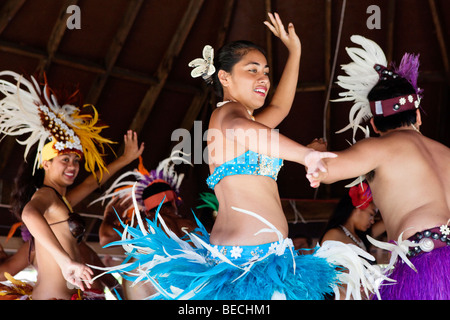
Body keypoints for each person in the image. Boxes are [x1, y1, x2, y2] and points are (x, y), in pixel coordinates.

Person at [91, 13, 384, 300]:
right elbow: (245, 131)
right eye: (253, 69)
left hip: (261, 258)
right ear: (224, 77)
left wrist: (295, 52)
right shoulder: (227, 113)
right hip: (246, 261)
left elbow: (280, 108)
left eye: (267, 71)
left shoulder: (249, 118)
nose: (264, 78)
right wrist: (304, 154)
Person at [308, 35, 450, 300]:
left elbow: (321, 171)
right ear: (418, 115)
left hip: (425, 270)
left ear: (374, 125)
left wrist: (314, 151)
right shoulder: (446, 153)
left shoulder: (378, 147)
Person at [0, 70, 144, 299]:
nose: (73, 165)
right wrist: (65, 262)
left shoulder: (61, 201)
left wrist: (125, 160)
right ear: (45, 164)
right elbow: (29, 214)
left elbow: (90, 183)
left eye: (76, 160)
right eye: (64, 160)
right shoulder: (46, 195)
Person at [95, 152, 196, 299]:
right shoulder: (193, 226)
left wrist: (110, 217)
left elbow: (106, 239)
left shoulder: (142, 226)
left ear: (146, 208)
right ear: (174, 201)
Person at [320, 181, 384, 253]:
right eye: (371, 214)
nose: (372, 221)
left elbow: (388, 223)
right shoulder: (334, 235)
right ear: (358, 208)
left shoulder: (360, 237)